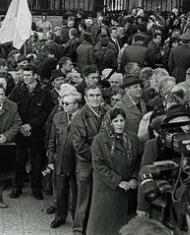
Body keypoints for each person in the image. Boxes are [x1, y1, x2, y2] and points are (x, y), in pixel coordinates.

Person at [86, 108, 142, 235]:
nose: (119, 124)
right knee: (103, 225)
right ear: (109, 122)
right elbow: (99, 166)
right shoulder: (99, 140)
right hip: (106, 189)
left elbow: (139, 161)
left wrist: (134, 178)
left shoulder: (133, 139)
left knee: (123, 225)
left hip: (128, 190)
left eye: (122, 120)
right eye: (115, 121)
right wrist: (118, 181)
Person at [8, 63, 53, 200]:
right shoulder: (18, 89)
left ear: (35, 76)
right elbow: (11, 108)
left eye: (28, 75)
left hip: (37, 132)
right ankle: (17, 187)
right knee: (18, 160)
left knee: (37, 162)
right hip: (20, 131)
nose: (25, 78)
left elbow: (46, 113)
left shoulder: (45, 91)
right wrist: (21, 126)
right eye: (24, 75)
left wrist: (31, 126)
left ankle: (36, 188)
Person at [70, 85, 110, 235]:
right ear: (86, 99)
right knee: (83, 201)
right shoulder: (80, 117)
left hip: (104, 165)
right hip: (86, 166)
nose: (95, 98)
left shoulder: (108, 113)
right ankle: (78, 229)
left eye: (98, 95)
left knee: (100, 200)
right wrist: (98, 157)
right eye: (92, 96)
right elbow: (79, 145)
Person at [47, 92, 81, 229]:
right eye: (63, 103)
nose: (63, 106)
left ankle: (77, 220)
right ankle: (60, 217)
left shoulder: (83, 118)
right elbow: (52, 140)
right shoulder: (58, 117)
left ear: (76, 105)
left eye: (67, 103)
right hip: (60, 160)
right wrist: (50, 160)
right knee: (61, 191)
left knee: (77, 193)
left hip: (78, 161)